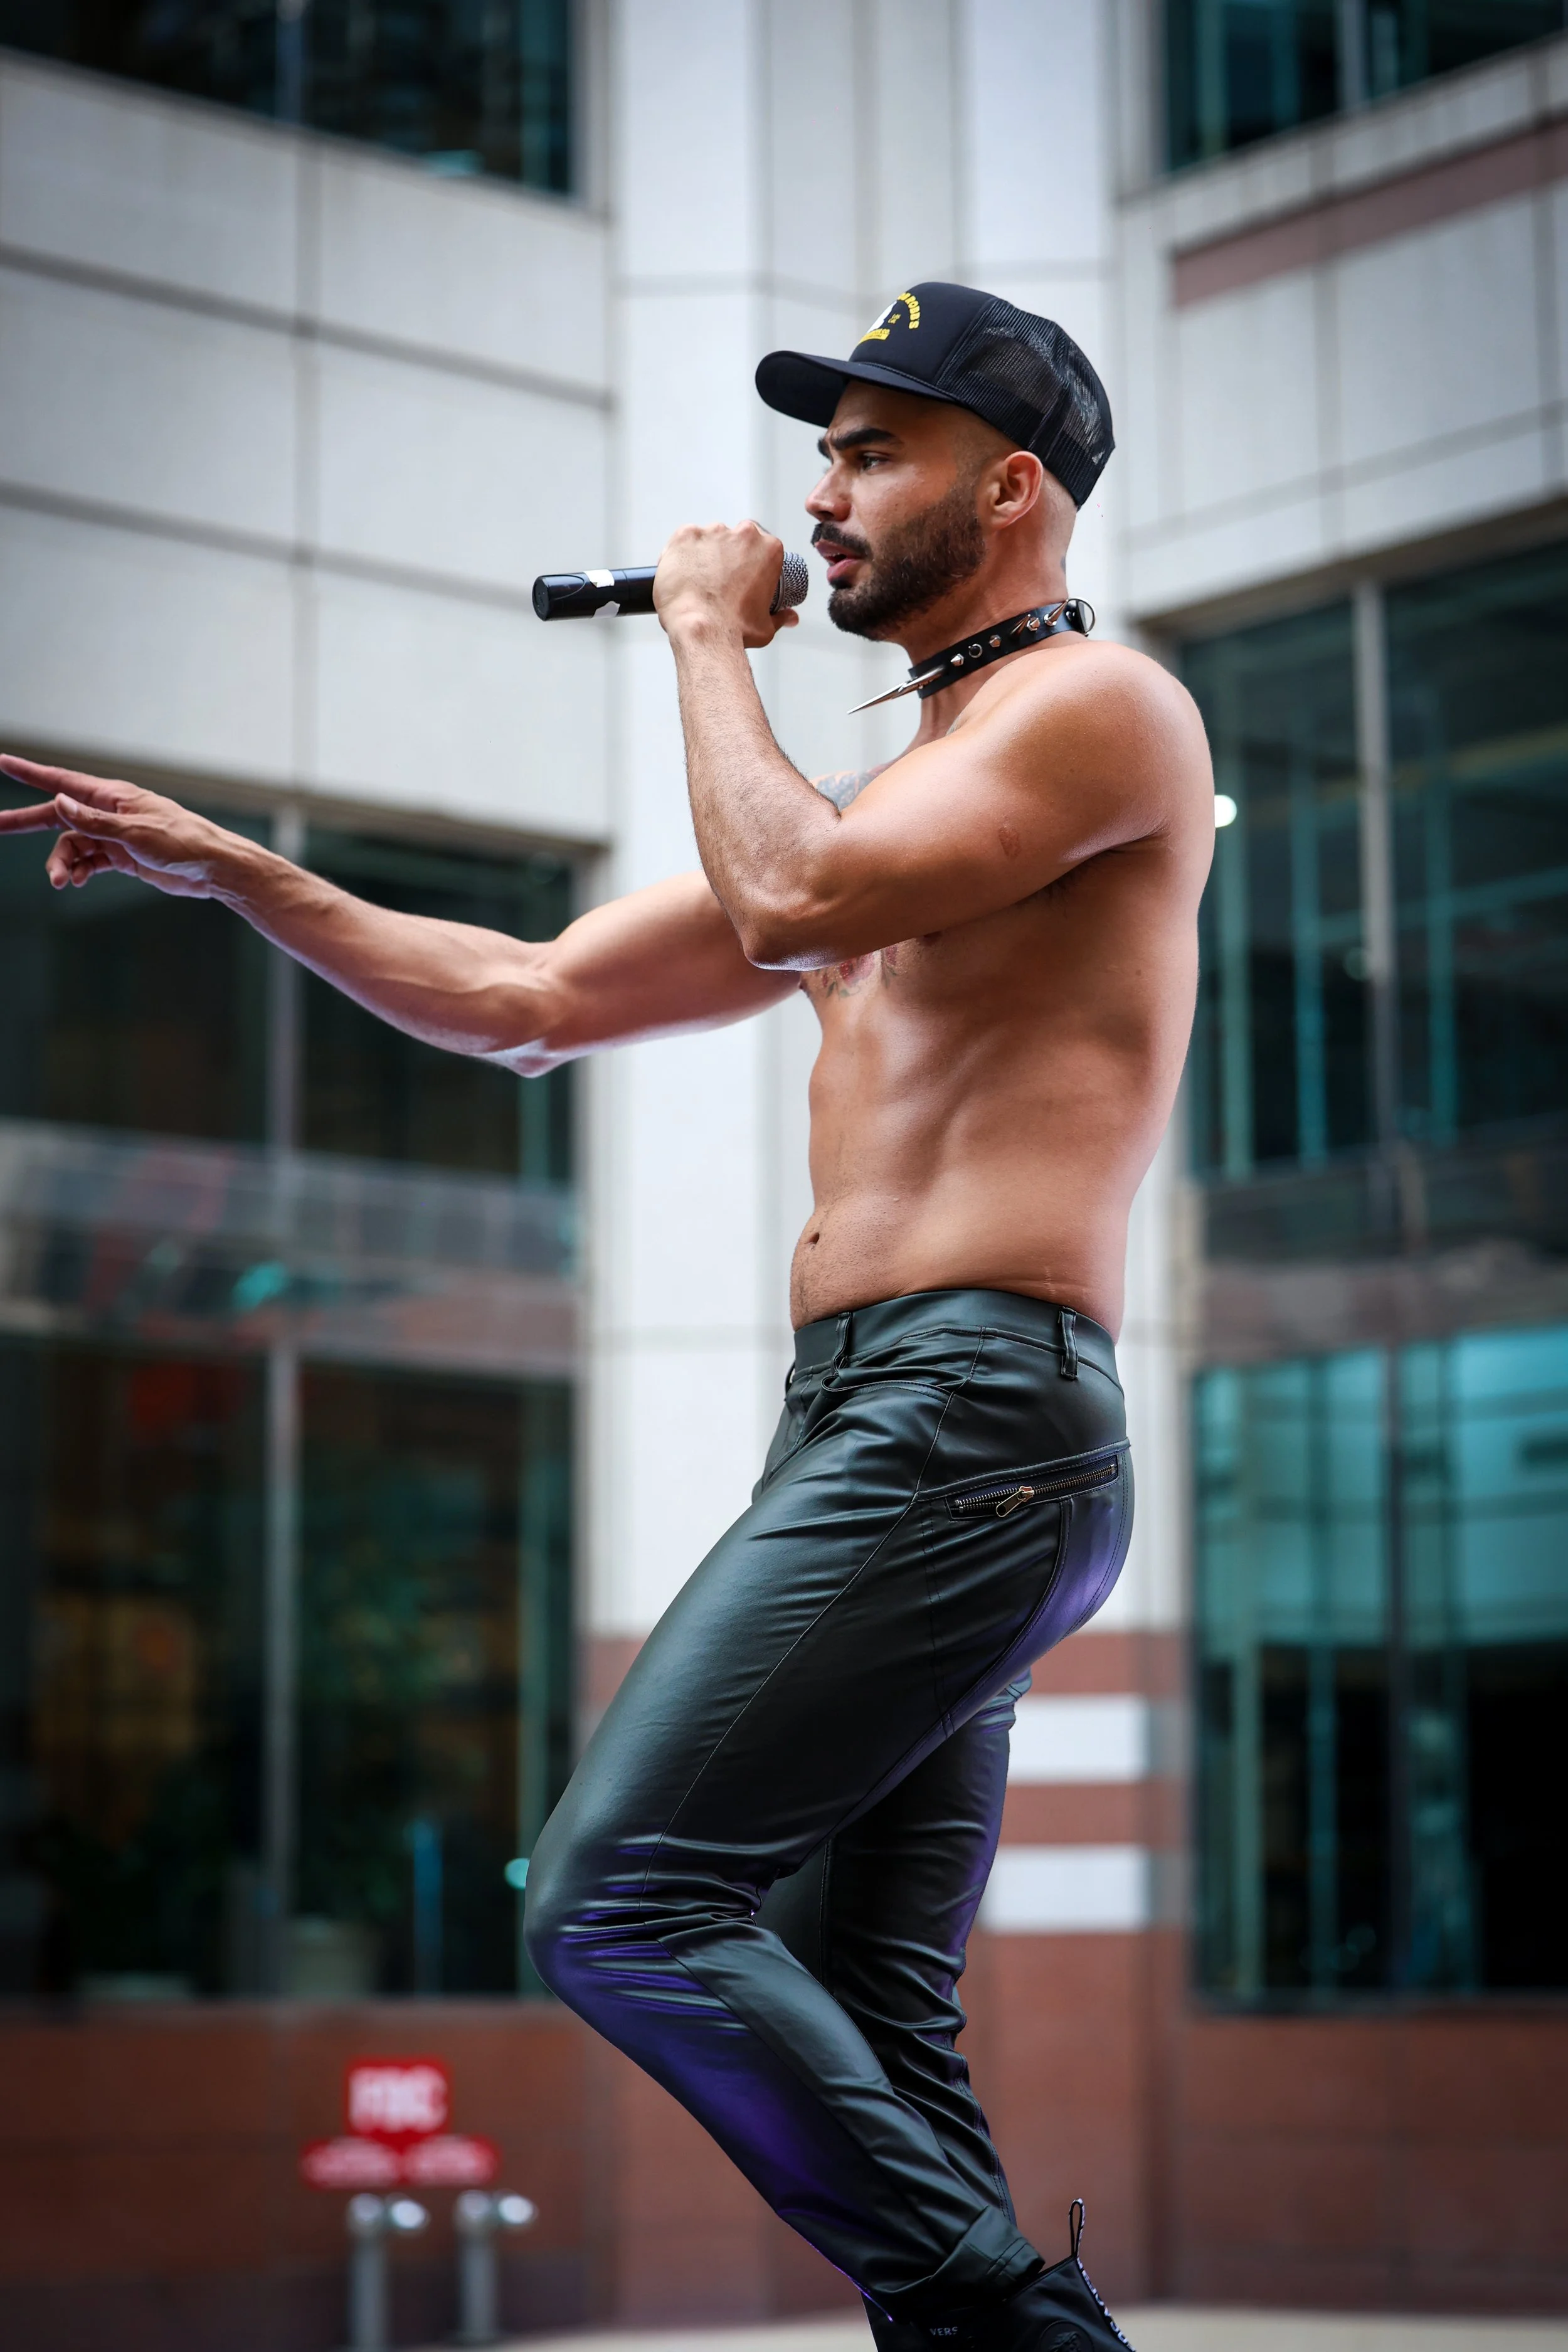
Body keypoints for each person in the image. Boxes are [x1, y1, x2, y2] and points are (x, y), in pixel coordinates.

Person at [0, 282, 1212, 2351]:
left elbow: (781, 905)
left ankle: (1019, 2326)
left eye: (868, 452)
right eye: (817, 453)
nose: (815, 498)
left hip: (968, 1417)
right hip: (888, 1429)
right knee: (859, 2007)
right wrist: (242, 873)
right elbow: (531, 1001)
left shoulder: (1095, 718)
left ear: (1008, 491)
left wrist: (702, 638)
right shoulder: (910, 799)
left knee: (616, 1900)